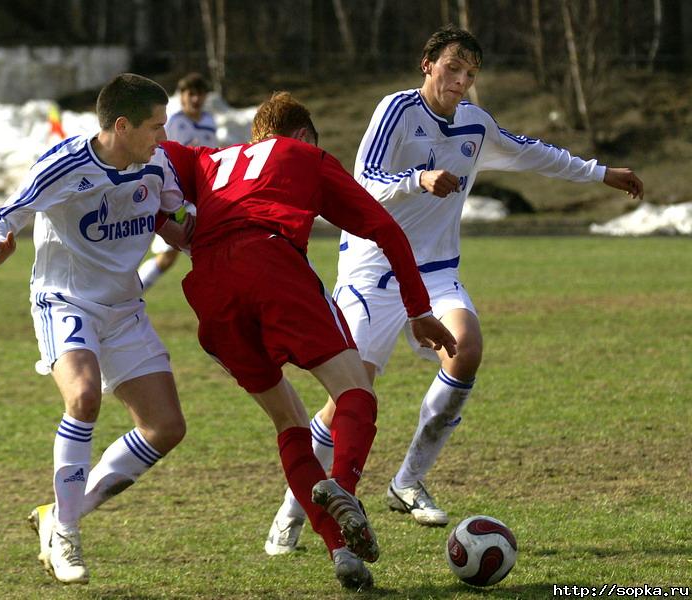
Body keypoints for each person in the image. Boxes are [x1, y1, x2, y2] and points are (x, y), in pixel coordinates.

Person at [264, 24, 645, 554]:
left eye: (470, 73)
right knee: (351, 395)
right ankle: (294, 509)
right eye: (452, 68)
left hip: (437, 270)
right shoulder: (396, 110)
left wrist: (601, 172)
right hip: (373, 271)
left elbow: (533, 152)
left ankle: (407, 481)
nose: (461, 81)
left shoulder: (475, 124)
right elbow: (364, 180)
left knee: (466, 349)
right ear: (428, 65)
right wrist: (417, 180)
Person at [160, 92, 457, 590]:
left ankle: (340, 550)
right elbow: (386, 229)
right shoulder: (306, 156)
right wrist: (419, 310)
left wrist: (174, 228)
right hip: (272, 264)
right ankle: (344, 488)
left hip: (209, 287)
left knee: (289, 422)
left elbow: (144, 171)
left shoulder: (206, 158)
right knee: (354, 391)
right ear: (301, 136)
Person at [0, 73, 192, 585]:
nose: (163, 139)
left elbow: (171, 219)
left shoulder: (155, 164)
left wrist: (211, 240)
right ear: (121, 125)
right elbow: (3, 214)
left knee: (166, 428)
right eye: (155, 128)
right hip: (64, 301)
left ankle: (60, 513)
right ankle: (66, 536)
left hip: (123, 309)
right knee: (84, 397)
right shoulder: (65, 165)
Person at [137, 72, 216, 290]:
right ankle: (132, 291)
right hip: (172, 194)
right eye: (191, 94)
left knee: (203, 249)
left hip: (198, 195)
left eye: (200, 94)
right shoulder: (172, 120)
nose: (195, 99)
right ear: (181, 96)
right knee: (168, 254)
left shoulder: (209, 121)